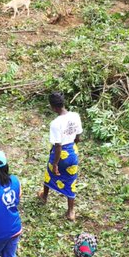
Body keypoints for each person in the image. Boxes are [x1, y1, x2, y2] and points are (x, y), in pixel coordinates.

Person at [38, 92, 82, 221]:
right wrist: (72, 147)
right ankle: (71, 211)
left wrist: (55, 163)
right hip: (72, 152)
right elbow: (78, 137)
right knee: (71, 180)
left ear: (53, 107)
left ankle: (44, 196)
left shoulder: (55, 123)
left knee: (50, 173)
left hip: (60, 154)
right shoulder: (75, 116)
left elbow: (58, 146)